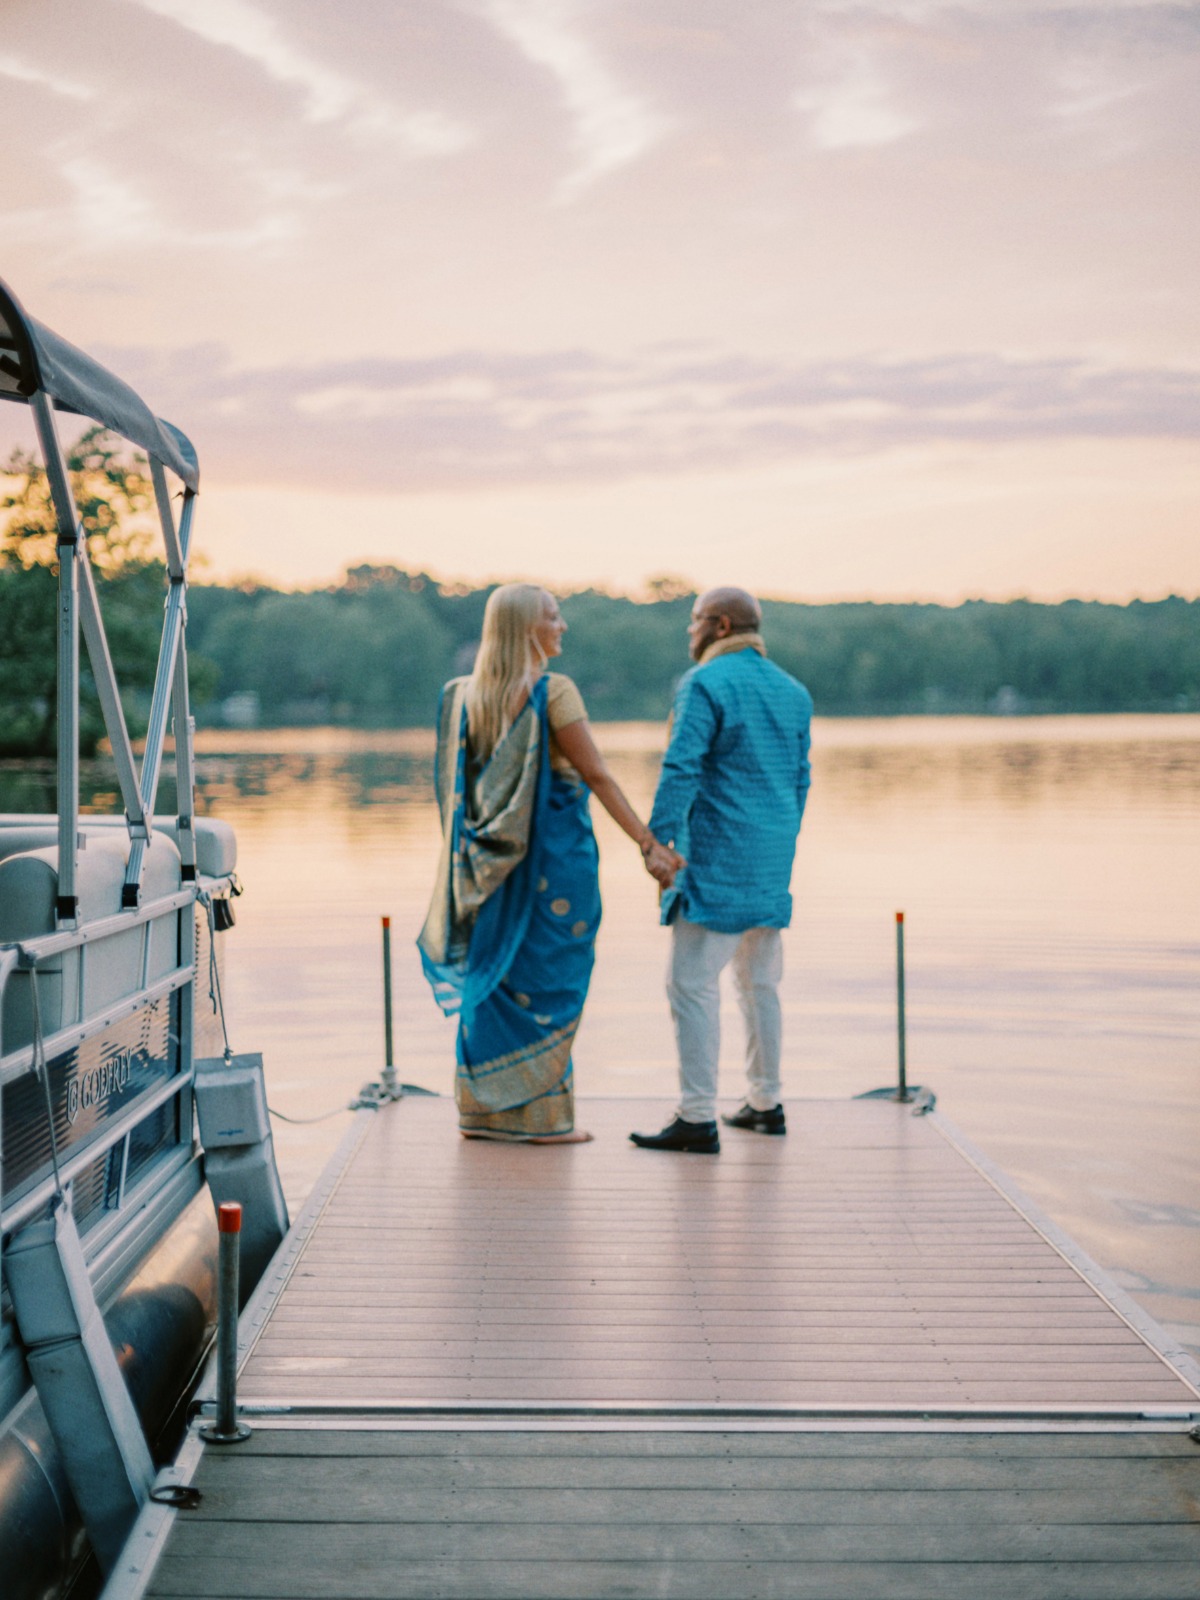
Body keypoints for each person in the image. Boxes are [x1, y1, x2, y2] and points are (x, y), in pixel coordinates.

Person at [419, 583, 680, 1143]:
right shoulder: (553, 692)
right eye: (553, 617)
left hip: (486, 871)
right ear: (525, 628)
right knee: (552, 981)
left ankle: (482, 1114)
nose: (563, 627)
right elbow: (598, 776)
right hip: (554, 866)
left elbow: (456, 794)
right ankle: (544, 1122)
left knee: (498, 981)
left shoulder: (462, 696)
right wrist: (647, 844)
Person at [630, 586, 812, 1154]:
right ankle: (765, 1103)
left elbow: (682, 765)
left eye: (696, 622)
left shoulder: (704, 684)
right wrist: (781, 838)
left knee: (689, 983)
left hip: (718, 854)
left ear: (722, 625)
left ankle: (696, 1116)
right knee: (759, 983)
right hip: (771, 855)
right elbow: (800, 779)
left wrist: (655, 841)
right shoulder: (793, 691)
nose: (689, 633)